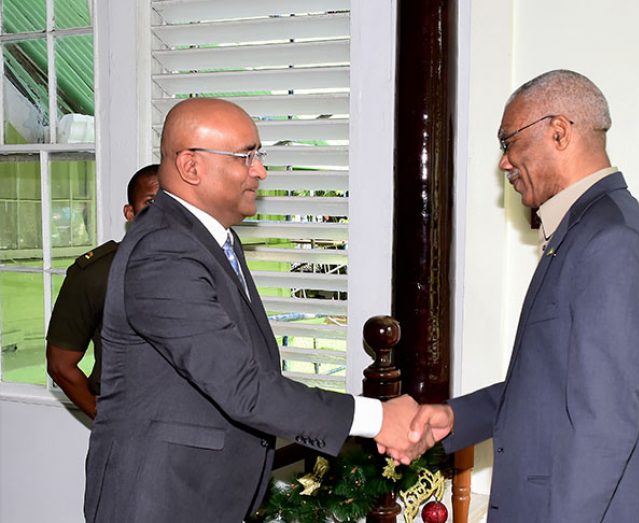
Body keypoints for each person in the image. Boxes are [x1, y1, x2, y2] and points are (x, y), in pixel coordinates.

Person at [84, 98, 431, 523]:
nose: (260, 170)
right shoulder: (164, 252)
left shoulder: (212, 241)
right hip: (161, 500)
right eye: (245, 156)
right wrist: (377, 417)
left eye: (258, 155)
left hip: (205, 496)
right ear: (191, 166)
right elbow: (244, 387)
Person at [407, 70, 639, 522]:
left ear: (559, 132)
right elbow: (554, 386)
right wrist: (456, 419)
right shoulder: (584, 230)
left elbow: (603, 426)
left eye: (508, 142)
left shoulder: (612, 241)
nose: (504, 163)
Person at [46, 164, 159, 419]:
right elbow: (61, 364)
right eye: (151, 202)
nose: (162, 213)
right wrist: (106, 419)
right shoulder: (97, 273)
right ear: (130, 212)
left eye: (172, 203)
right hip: (128, 428)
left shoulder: (201, 266)